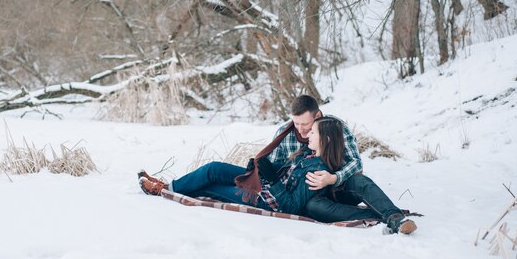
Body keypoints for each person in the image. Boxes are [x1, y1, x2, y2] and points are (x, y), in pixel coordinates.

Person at [267, 95, 417, 234]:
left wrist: (333, 178)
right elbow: (274, 167)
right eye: (296, 123)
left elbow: (356, 163)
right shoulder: (285, 133)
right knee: (313, 207)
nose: (300, 130)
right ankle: (376, 215)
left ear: (317, 116)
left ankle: (395, 217)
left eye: (305, 124)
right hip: (311, 196)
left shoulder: (336, 128)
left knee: (360, 181)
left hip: (340, 188)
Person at [139, 117, 344, 217]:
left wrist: (272, 180)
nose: (307, 134)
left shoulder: (318, 171)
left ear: (325, 139)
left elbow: (290, 206)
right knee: (213, 169)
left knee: (210, 188)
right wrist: (262, 168)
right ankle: (170, 186)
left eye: (313, 133)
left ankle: (162, 191)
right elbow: (286, 172)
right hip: (263, 183)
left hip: (266, 199)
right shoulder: (309, 153)